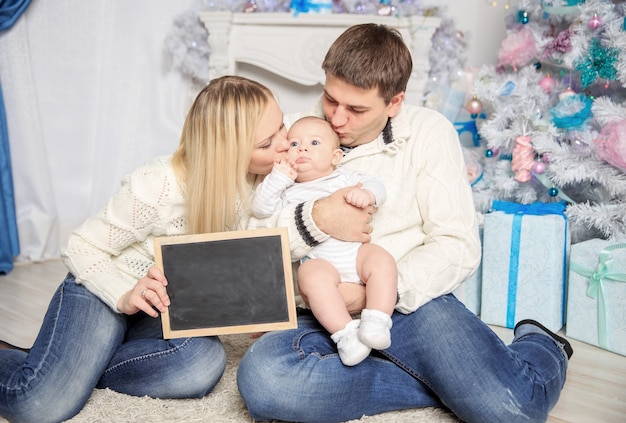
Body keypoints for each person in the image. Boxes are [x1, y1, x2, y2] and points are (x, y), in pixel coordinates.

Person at [237, 24, 573, 423]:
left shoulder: (429, 132)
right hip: (319, 307)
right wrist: (317, 218)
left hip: (413, 302)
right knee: (266, 382)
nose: (337, 119)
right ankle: (447, 385)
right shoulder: (293, 132)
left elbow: (457, 245)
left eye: (357, 109)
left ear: (394, 102)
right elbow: (252, 240)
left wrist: (372, 296)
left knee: (510, 411)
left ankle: (540, 342)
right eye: (330, 99)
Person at [0, 75, 291, 423]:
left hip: (160, 304)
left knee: (201, 363)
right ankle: (51, 368)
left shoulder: (270, 181)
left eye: (283, 128)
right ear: (226, 152)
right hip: (105, 288)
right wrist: (122, 295)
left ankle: (72, 367)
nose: (285, 145)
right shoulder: (158, 184)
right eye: (267, 143)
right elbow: (81, 245)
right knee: (40, 405)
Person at [252, 116, 397, 366]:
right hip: (321, 261)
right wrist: (278, 177)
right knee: (309, 276)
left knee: (382, 260)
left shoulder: (343, 177)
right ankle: (345, 335)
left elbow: (377, 184)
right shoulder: (287, 189)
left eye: (314, 143)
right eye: (294, 143)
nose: (303, 148)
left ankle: (377, 320)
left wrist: (367, 193)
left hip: (355, 254)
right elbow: (261, 209)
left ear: (335, 157)